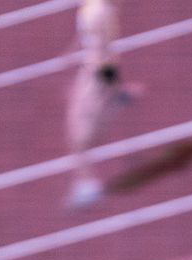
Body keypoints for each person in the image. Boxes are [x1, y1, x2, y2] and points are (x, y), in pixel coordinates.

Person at [64, 0, 136, 207]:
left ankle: (87, 185)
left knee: (80, 134)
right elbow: (89, 37)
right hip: (92, 72)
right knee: (78, 131)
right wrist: (70, 52)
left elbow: (105, 52)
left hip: (95, 74)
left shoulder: (98, 12)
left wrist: (107, 83)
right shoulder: (90, 8)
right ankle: (85, 183)